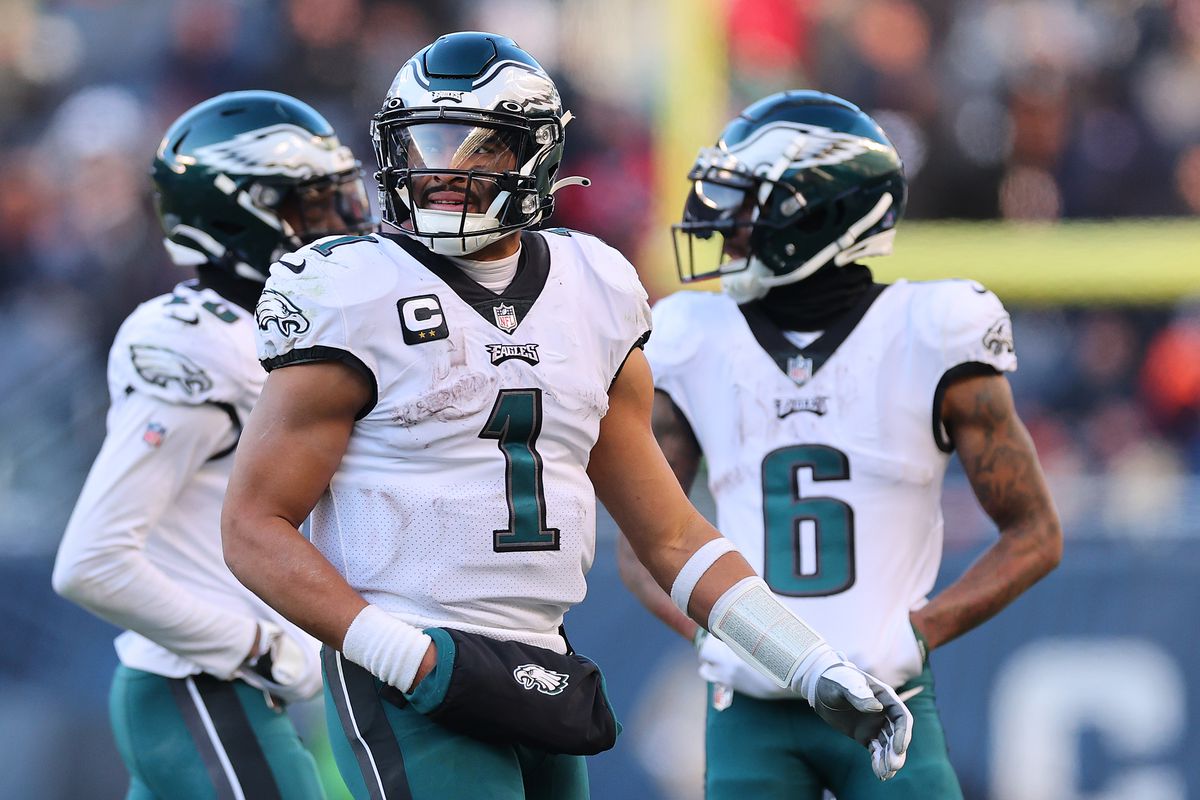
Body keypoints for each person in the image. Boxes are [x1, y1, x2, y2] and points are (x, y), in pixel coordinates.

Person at [220, 34, 911, 800]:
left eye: (474, 149)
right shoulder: (352, 291)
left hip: (539, 665)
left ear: (533, 158)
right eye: (424, 141)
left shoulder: (594, 287)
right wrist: (402, 656)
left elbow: (671, 534)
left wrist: (809, 662)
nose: (441, 169)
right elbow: (253, 525)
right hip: (408, 667)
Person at [616, 89, 1064, 799]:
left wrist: (917, 635)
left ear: (813, 214)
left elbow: (1035, 533)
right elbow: (644, 543)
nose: (722, 227)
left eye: (746, 208)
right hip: (750, 713)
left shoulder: (934, 328)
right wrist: (723, 634)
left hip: (889, 700)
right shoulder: (689, 336)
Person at [52, 90, 375, 799]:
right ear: (240, 213)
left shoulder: (281, 330)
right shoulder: (199, 342)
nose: (344, 223)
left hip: (229, 690)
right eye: (312, 206)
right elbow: (91, 562)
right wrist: (259, 647)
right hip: (198, 686)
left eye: (340, 198)